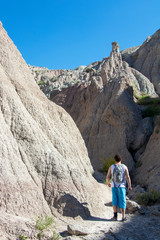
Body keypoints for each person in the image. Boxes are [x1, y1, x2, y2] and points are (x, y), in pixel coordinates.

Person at [106, 154, 132, 221]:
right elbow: (128, 177)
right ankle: (123, 217)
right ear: (121, 159)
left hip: (114, 186)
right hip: (122, 187)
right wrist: (129, 186)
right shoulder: (124, 167)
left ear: (114, 160)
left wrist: (109, 183)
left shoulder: (111, 167)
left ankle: (115, 216)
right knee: (122, 201)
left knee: (115, 201)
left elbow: (107, 176)